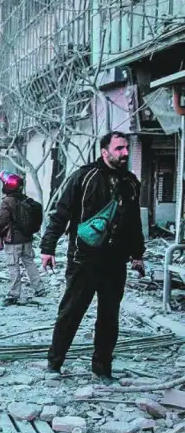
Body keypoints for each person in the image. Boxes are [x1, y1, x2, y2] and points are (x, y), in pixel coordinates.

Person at [41, 132, 145, 382]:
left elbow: (133, 222)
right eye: (119, 148)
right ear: (104, 151)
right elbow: (61, 213)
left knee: (109, 317)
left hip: (115, 261)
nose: (125, 153)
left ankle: (102, 369)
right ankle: (54, 363)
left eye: (126, 148)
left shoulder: (130, 182)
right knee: (71, 312)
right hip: (83, 258)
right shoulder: (84, 177)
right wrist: (48, 247)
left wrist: (137, 254)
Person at [0, 171, 46, 306]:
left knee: (13, 266)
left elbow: (2, 220)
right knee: (29, 262)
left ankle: (14, 293)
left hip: (13, 240)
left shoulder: (7, 201)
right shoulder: (26, 199)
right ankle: (39, 288)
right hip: (27, 238)